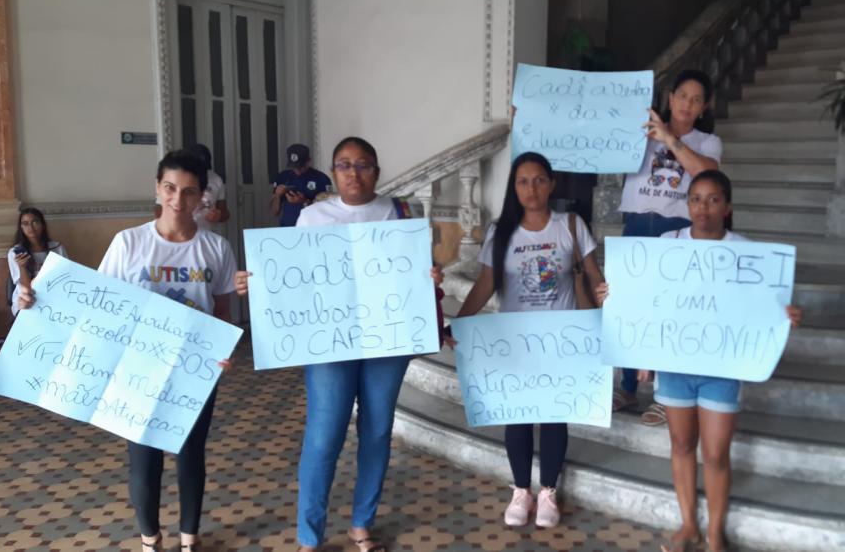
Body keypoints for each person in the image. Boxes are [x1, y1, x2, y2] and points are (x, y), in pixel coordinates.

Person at [20, 150, 236, 552]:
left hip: (193, 370)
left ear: (202, 197)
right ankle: (150, 541)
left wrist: (223, 352)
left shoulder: (216, 249)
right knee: (144, 458)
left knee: (191, 455)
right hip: (136, 368)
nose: (177, 200)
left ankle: (189, 540)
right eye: (170, 188)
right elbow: (95, 303)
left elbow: (222, 313)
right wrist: (36, 299)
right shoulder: (129, 243)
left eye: (189, 192)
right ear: (157, 188)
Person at [236, 137, 443, 552]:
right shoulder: (313, 217)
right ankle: (309, 537)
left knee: (378, 430)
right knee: (323, 435)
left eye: (363, 164)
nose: (354, 172)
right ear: (333, 171)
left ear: (377, 171)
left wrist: (430, 278)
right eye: (344, 165)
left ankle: (361, 524)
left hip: (387, 340)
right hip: (329, 342)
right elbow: (291, 279)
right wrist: (256, 284)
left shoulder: (402, 214)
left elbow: (415, 273)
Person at [596, 170, 801, 552]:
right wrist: (614, 294)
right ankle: (688, 525)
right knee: (681, 444)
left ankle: (715, 534)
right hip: (675, 366)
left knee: (716, 453)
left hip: (722, 369)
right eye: (695, 199)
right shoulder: (667, 244)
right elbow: (645, 300)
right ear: (686, 204)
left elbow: (759, 305)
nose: (702, 207)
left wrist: (782, 315)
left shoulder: (746, 252)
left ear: (727, 208)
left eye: (712, 200)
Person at [447, 152, 604, 529]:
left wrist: (612, 316)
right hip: (514, 341)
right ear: (513, 187)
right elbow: (485, 284)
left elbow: (597, 281)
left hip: (560, 339)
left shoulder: (571, 225)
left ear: (551, 184)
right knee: (515, 416)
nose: (531, 188)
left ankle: (548, 490)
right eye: (522, 181)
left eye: (538, 180)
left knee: (552, 416)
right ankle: (521, 489)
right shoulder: (501, 232)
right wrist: (460, 324)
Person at [613, 69, 723, 424]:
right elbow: (597, 142)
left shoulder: (708, 142)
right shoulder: (640, 132)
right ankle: (628, 386)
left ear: (704, 107)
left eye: (696, 99)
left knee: (670, 308)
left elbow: (707, 174)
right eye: (682, 96)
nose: (688, 104)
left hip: (676, 227)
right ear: (670, 97)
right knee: (629, 305)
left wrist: (671, 139)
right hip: (636, 223)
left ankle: (665, 392)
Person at [154, 144, 230, 232]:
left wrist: (218, 216)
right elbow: (158, 209)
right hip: (175, 232)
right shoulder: (175, 178)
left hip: (205, 234)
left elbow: (225, 213)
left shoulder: (216, 180)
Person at [7, 208, 68, 316]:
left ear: (42, 225)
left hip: (54, 293)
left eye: (35, 222)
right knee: (28, 304)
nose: (30, 227)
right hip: (27, 297)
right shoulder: (15, 252)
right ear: (21, 227)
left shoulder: (57, 247)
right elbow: (25, 288)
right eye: (25, 224)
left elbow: (66, 276)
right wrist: (23, 267)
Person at [270, 143, 332, 227]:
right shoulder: (283, 177)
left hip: (313, 228)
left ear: (308, 161)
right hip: (288, 229)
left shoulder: (321, 179)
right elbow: (274, 212)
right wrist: (277, 195)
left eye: (300, 166)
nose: (297, 170)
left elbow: (328, 212)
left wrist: (304, 202)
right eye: (294, 167)